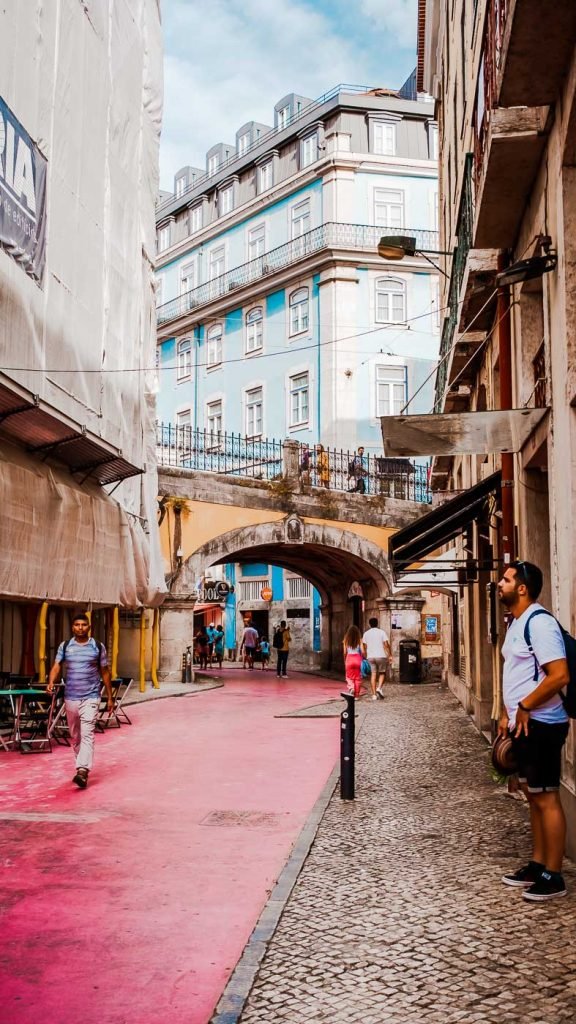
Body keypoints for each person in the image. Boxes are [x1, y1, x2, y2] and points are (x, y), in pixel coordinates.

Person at [498, 559, 570, 902]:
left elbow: (559, 675)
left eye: (507, 579)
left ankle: (553, 875)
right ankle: (538, 863)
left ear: (522, 588)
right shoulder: (516, 622)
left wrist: (525, 706)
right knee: (532, 795)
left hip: (542, 723)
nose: (500, 583)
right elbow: (514, 670)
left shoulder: (540, 623)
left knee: (546, 797)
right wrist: (505, 711)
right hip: (522, 724)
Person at [47, 612, 113, 789]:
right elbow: (56, 666)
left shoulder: (97, 646)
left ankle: (82, 770)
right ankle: (81, 767)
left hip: (91, 696)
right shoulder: (66, 646)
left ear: (89, 627)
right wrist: (51, 681)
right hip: (71, 697)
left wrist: (109, 697)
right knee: (75, 736)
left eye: (84, 625)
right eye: (77, 625)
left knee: (87, 733)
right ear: (73, 627)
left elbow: (105, 672)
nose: (80, 628)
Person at [362, 617, 392, 700]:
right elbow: (386, 644)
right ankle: (379, 688)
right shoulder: (381, 632)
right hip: (381, 655)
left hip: (371, 656)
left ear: (369, 624)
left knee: (373, 674)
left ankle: (374, 695)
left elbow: (364, 646)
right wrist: (390, 655)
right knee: (382, 673)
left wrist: (365, 654)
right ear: (377, 623)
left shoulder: (366, 634)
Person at [342, 625, 364, 698]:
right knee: (357, 678)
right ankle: (357, 696)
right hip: (357, 659)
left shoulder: (346, 640)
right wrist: (362, 657)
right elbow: (363, 651)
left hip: (349, 658)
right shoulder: (359, 640)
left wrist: (345, 660)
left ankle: (351, 688)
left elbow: (345, 652)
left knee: (349, 677)